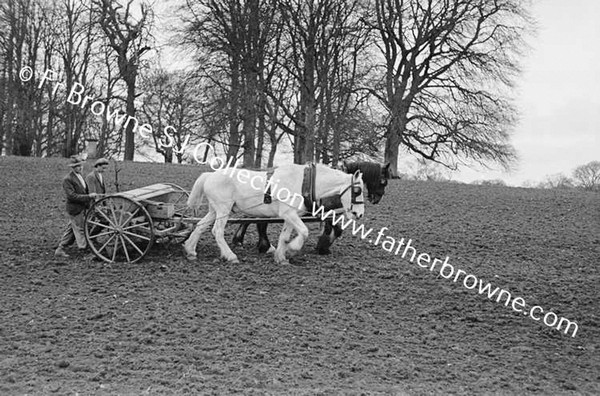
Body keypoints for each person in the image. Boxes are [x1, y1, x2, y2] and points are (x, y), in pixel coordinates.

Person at [54, 156, 99, 258]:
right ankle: (84, 251)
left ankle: (60, 249)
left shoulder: (80, 176)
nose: (80, 168)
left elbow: (84, 190)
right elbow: (72, 196)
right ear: (72, 167)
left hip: (82, 207)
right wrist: (88, 197)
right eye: (77, 166)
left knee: (72, 229)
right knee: (81, 229)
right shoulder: (68, 179)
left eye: (80, 165)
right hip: (75, 208)